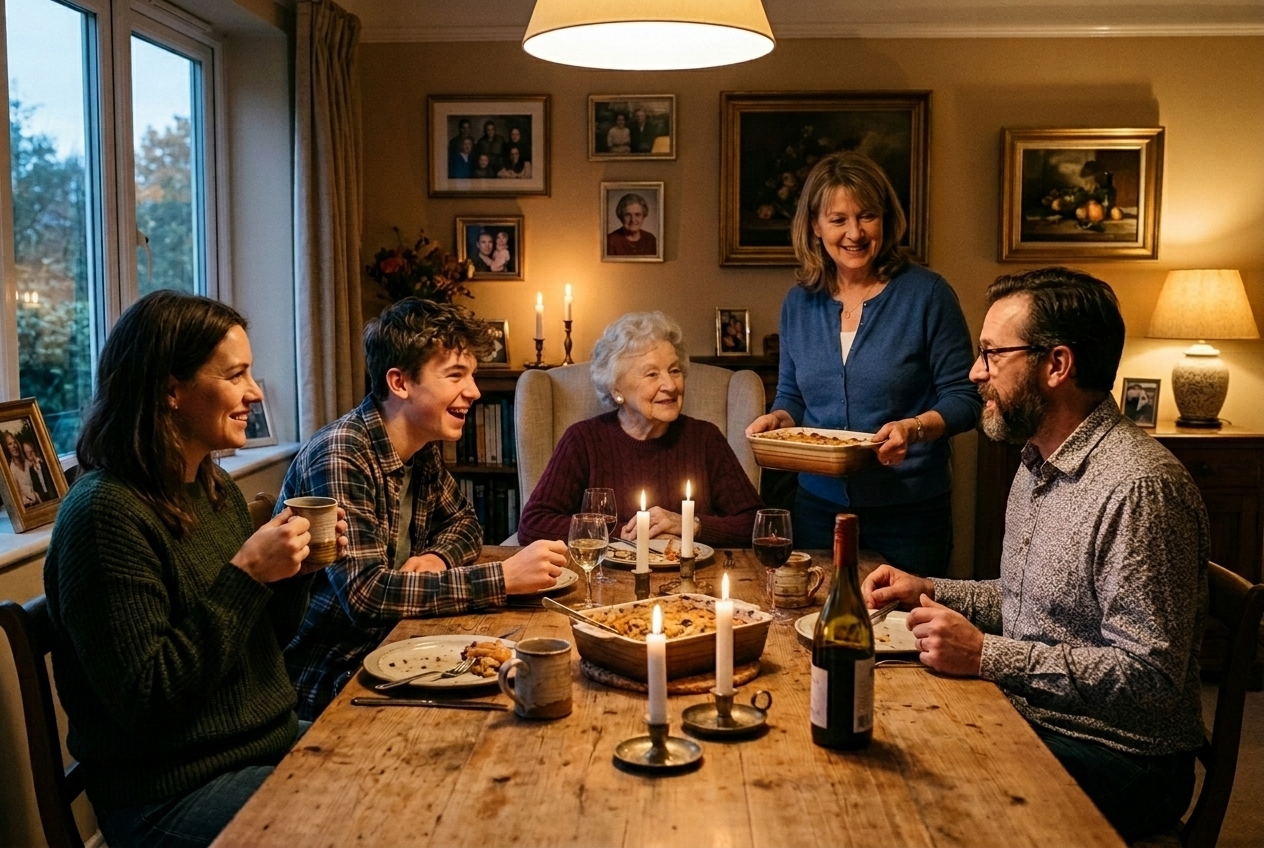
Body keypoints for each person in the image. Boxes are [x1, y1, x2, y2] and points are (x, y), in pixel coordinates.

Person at [862, 267, 1207, 842]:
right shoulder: (1037, 462)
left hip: (1123, 757)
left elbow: (1149, 679)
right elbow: (1033, 604)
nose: (975, 373)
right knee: (886, 732)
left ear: (1056, 365)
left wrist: (988, 656)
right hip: (1036, 715)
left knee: (913, 794)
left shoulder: (1140, 488)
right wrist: (926, 587)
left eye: (992, 354)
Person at [43, 290, 347, 848]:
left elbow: (262, 646)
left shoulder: (213, 489)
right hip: (168, 793)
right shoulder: (104, 514)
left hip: (261, 747)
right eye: (236, 376)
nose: (255, 392)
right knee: (371, 821)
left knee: (401, 763)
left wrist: (293, 574)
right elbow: (149, 699)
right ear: (170, 390)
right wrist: (248, 576)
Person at [280, 298, 566, 719]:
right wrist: (503, 577)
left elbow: (465, 523)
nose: (474, 391)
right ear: (400, 383)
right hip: (332, 678)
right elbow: (365, 594)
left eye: (471, 375)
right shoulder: (343, 452)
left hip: (397, 647)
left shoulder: (420, 447)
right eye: (456, 375)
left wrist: (436, 556)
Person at [745, 151, 979, 575]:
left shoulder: (927, 295)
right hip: (819, 507)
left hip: (910, 512)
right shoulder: (799, 303)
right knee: (819, 626)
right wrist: (779, 419)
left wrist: (915, 427)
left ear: (885, 220)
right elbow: (792, 395)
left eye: (867, 216)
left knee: (904, 634)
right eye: (838, 220)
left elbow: (965, 397)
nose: (854, 233)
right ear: (815, 225)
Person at [517, 312, 764, 547]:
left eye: (675, 370)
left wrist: (691, 525)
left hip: (693, 582)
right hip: (610, 582)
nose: (670, 385)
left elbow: (757, 523)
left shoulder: (705, 438)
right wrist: (624, 533)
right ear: (617, 389)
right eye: (652, 374)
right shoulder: (583, 440)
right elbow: (533, 524)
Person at [3, 430, 39, 506]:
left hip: (37, 500)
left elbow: (35, 463)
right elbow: (17, 494)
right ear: (7, 448)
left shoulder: (26, 462)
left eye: (14, 442)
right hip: (27, 505)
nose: (14, 446)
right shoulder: (12, 469)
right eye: (10, 444)